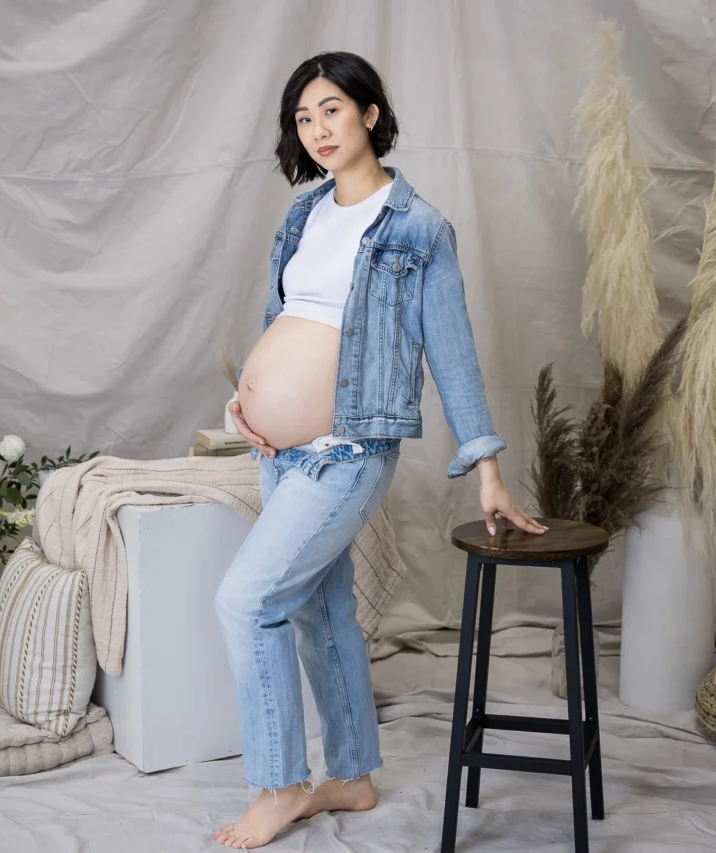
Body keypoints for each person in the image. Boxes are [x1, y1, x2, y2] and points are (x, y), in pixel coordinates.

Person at [213, 51, 545, 850]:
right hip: (281, 453)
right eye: (302, 117)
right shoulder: (303, 215)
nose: (317, 129)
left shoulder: (417, 226)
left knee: (247, 600)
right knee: (321, 615)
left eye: (330, 109)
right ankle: (353, 775)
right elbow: (281, 321)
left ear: (368, 112)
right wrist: (247, 399)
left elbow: (453, 350)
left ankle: (282, 786)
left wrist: (487, 468)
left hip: (348, 450)